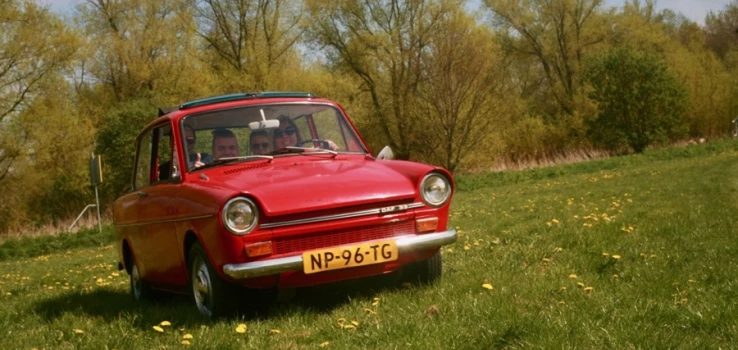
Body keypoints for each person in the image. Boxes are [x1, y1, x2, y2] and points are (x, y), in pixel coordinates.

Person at [274, 115, 339, 151]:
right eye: (278, 133)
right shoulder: (269, 158)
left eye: (289, 130)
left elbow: (311, 151)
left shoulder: (303, 151)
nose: (284, 136)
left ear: (296, 133)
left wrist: (326, 145)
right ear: (273, 139)